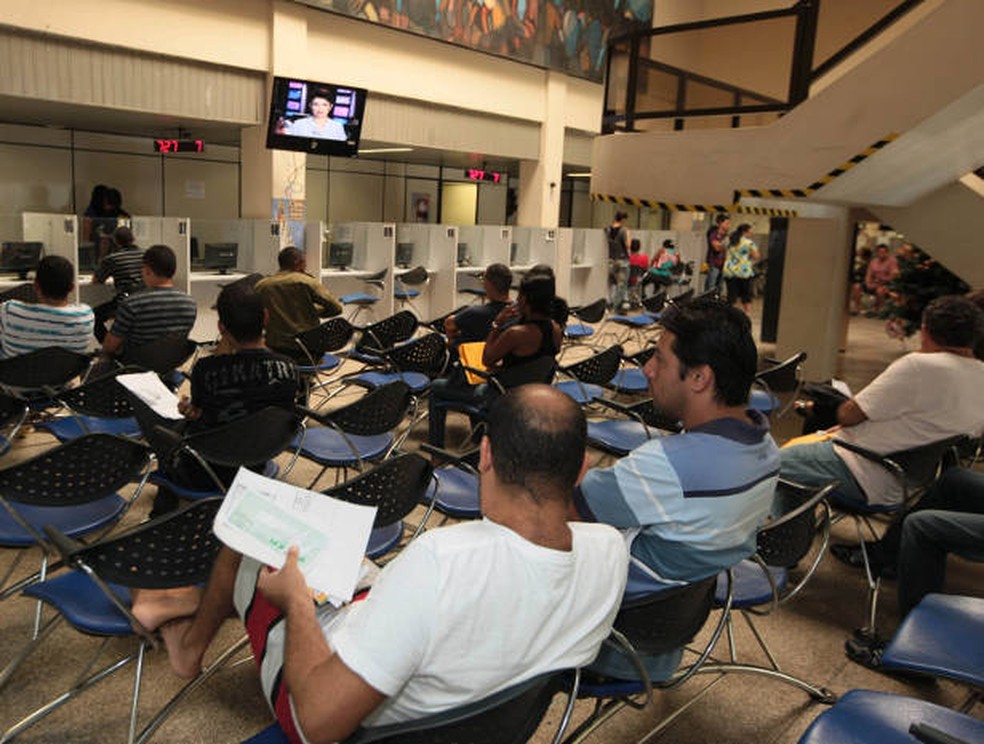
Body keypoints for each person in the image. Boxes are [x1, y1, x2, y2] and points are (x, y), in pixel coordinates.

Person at [138, 385, 628, 743]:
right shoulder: (609, 551)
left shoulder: (441, 561)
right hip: (450, 682)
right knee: (348, 563)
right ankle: (193, 603)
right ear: (583, 468)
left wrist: (297, 604)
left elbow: (315, 725)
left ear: (484, 455)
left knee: (250, 543)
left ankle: (189, 646)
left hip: (351, 708)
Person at [571, 297, 779, 678]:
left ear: (700, 377)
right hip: (671, 629)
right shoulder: (764, 446)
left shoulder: (668, 466)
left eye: (661, 360)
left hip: (613, 640)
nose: (648, 369)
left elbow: (573, 504)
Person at [781, 295, 984, 507]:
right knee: (786, 475)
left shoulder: (919, 366)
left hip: (861, 468)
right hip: (910, 485)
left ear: (925, 331)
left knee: (763, 466)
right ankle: (785, 535)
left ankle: (780, 537)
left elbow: (848, 415)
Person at [427, 272, 562, 448]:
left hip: (500, 396)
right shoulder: (555, 329)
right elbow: (534, 361)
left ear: (526, 299)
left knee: (437, 388)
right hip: (530, 394)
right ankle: (477, 439)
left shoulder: (516, 334)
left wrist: (497, 325)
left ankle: (435, 451)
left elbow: (487, 359)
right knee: (474, 380)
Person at [101, 244, 197, 360]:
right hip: (170, 365)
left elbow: (110, 346)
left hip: (133, 368)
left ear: (147, 271)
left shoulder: (131, 304)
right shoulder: (190, 304)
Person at [255, 246, 343, 360]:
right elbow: (336, 308)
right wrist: (314, 311)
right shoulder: (307, 281)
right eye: (304, 262)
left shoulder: (261, 286)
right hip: (308, 350)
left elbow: (256, 315)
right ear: (298, 263)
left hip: (275, 350)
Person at [0, 255, 94, 358]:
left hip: (14, 373)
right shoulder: (86, 317)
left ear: (35, 286)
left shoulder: (9, 311)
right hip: (65, 374)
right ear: (72, 288)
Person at [91, 225, 145, 342]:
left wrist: (102, 254)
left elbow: (96, 281)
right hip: (145, 301)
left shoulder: (112, 259)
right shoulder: (145, 255)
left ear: (115, 241)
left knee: (93, 316)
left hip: (124, 302)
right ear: (133, 238)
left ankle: (109, 348)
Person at [442, 262, 511, 350]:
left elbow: (448, 323)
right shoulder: (517, 312)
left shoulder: (475, 313)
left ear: (488, 284)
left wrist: (452, 340)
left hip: (467, 356)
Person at [722, 223, 760, 315]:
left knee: (731, 294)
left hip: (730, 270)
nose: (751, 234)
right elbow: (756, 256)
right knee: (746, 294)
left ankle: (731, 314)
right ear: (745, 232)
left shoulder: (729, 240)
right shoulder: (748, 243)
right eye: (750, 232)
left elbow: (721, 248)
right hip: (743, 271)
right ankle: (746, 313)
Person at [863, 243, 899, 315]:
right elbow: (869, 274)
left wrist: (883, 281)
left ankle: (880, 310)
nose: (881, 254)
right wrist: (868, 283)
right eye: (879, 252)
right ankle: (857, 309)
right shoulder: (873, 261)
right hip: (875, 282)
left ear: (887, 252)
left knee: (880, 290)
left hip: (886, 283)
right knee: (856, 287)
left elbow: (894, 275)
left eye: (883, 252)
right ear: (877, 253)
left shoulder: (892, 261)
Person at [607, 211, 630, 311]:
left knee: (612, 283)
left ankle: (610, 304)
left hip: (611, 260)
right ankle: (616, 308)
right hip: (622, 260)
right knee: (622, 285)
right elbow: (628, 245)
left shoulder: (608, 229)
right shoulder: (623, 230)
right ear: (623, 219)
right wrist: (629, 235)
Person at [704, 214, 729, 293]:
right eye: (726, 223)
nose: (728, 226)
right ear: (720, 223)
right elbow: (716, 248)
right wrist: (724, 245)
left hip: (723, 264)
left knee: (720, 287)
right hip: (714, 263)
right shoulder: (714, 234)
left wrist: (722, 245)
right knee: (711, 286)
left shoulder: (726, 235)